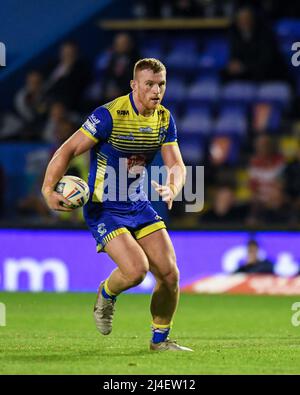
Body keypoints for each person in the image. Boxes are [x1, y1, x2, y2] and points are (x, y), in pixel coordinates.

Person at [41, 58, 192, 352]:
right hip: (104, 207)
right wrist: (48, 190)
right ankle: (107, 293)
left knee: (169, 273)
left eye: (161, 84)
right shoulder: (109, 115)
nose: (156, 90)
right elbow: (69, 149)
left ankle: (160, 340)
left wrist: (174, 186)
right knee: (137, 271)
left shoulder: (163, 118)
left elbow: (177, 164)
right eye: (149, 84)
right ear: (134, 85)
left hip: (137, 204)